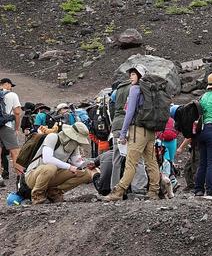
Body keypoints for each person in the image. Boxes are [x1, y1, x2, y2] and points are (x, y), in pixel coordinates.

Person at [103, 65, 161, 201]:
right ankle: (153, 191)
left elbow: (129, 113)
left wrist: (123, 133)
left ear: (140, 75)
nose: (130, 77)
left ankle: (118, 192)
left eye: (133, 74)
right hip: (151, 131)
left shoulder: (135, 89)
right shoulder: (152, 90)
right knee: (152, 162)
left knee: (131, 162)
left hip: (137, 131)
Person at [24, 122, 97, 204]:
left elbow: (78, 163)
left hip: (54, 175)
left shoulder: (73, 145)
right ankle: (37, 195)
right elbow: (47, 159)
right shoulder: (53, 137)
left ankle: (54, 192)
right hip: (33, 175)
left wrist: (92, 165)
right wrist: (69, 166)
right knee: (50, 168)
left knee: (85, 173)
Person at [109, 78, 131, 189]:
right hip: (129, 125)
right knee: (132, 158)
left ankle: (115, 187)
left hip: (116, 125)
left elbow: (112, 113)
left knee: (116, 159)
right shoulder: (133, 88)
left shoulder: (114, 94)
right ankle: (132, 187)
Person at [0, 78, 23, 178]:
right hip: (6, 126)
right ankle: (20, 178)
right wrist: (17, 128)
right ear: (7, 84)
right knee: (15, 152)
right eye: (11, 86)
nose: (11, 88)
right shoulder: (12, 95)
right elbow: (17, 112)